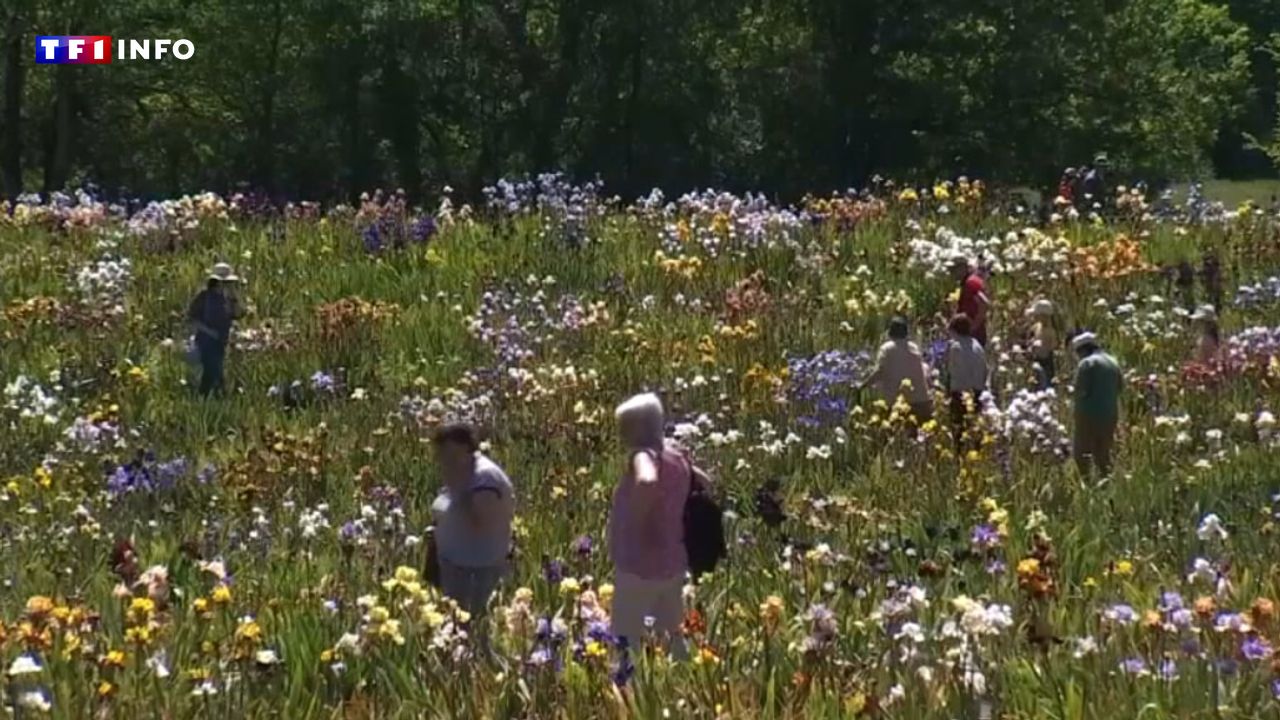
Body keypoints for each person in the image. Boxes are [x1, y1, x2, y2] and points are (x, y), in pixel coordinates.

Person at [608, 393, 691, 660]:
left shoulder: (642, 455)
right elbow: (704, 482)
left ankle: (625, 683)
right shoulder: (677, 457)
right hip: (674, 557)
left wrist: (638, 521)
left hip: (639, 563)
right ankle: (684, 675)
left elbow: (647, 482)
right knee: (671, 627)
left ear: (636, 428)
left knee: (626, 629)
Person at [430, 423, 515, 616]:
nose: (441, 458)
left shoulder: (484, 477)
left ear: (465, 447)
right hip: (454, 569)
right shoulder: (464, 472)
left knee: (473, 629)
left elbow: (481, 522)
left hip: (477, 574)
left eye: (447, 451)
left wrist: (457, 485)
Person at [1071, 332, 1123, 478]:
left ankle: (1086, 484)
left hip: (1088, 414)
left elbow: (1081, 390)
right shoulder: (1113, 362)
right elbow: (1120, 387)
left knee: (1081, 453)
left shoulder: (1086, 363)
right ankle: (1106, 482)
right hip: (1110, 414)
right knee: (1103, 454)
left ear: (1082, 350)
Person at [862, 316, 933, 423]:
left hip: (897, 404)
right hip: (921, 401)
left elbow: (880, 371)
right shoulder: (914, 347)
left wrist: (863, 385)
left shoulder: (886, 349)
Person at [187, 263, 243, 396]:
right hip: (206, 342)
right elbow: (192, 318)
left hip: (221, 343)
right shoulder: (204, 296)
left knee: (215, 375)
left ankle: (209, 397)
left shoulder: (228, 298)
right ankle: (209, 398)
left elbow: (238, 314)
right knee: (212, 374)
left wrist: (234, 296)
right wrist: (210, 332)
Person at [944, 314, 987, 448]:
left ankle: (959, 457)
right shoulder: (977, 345)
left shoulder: (955, 347)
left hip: (960, 394)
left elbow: (951, 372)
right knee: (975, 428)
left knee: (959, 430)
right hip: (978, 392)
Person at [950, 253, 991, 347]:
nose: (951, 272)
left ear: (963, 268)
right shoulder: (970, 281)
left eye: (954, 269)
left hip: (974, 336)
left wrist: (972, 328)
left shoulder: (970, 283)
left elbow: (984, 304)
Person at [1025, 299, 1060, 389]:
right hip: (1036, 360)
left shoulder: (1050, 332)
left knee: (1044, 385)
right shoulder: (1037, 327)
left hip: (1045, 363)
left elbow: (1051, 349)